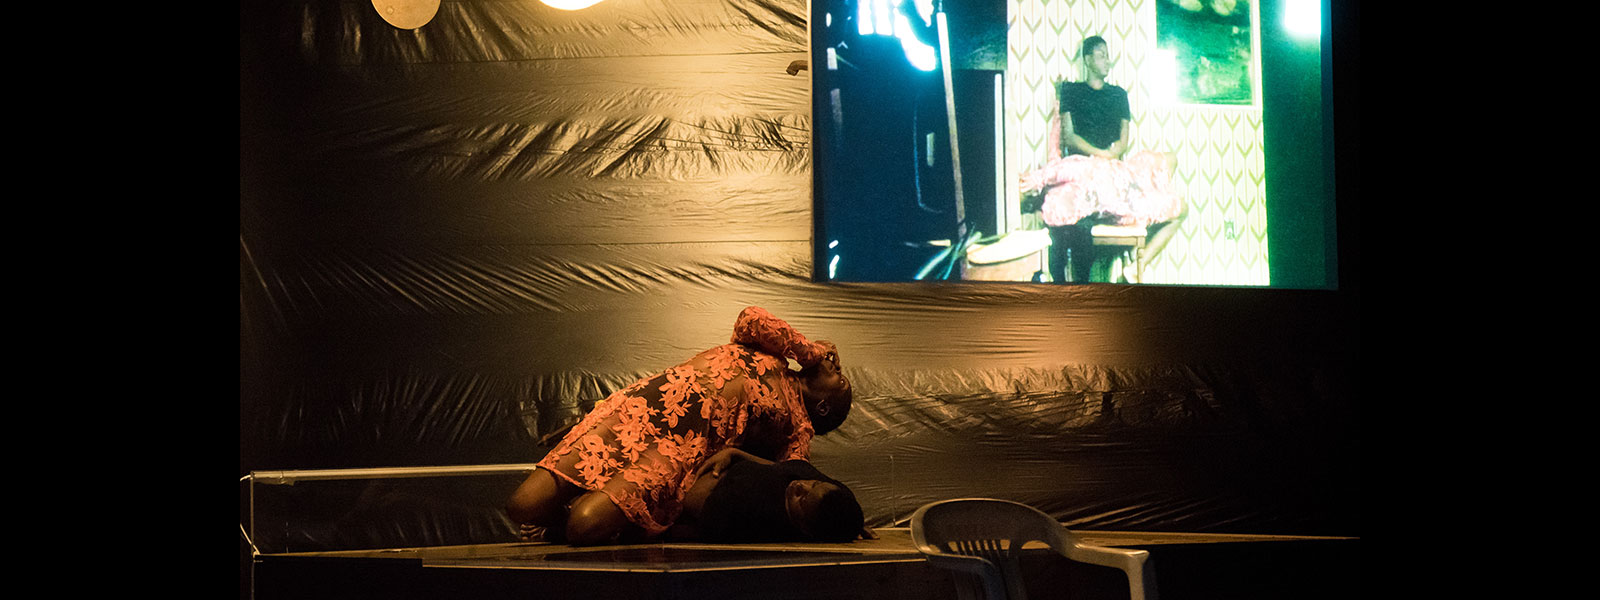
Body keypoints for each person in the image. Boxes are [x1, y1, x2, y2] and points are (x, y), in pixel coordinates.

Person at [506, 306, 852, 545]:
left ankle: (578, 522)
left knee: (583, 525)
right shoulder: (775, 354)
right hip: (637, 409)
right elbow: (752, 318)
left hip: (671, 453)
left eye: (841, 380)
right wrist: (810, 351)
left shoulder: (799, 427)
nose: (837, 367)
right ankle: (577, 513)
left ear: (824, 406)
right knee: (522, 506)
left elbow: (792, 474)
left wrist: (848, 522)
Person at [1021, 36, 1184, 284]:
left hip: (1113, 167)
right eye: (1101, 55)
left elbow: (1123, 141)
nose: (1108, 60)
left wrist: (1110, 155)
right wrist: (1100, 153)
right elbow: (1069, 137)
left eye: (1108, 55)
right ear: (1088, 60)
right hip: (1083, 166)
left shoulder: (1118, 94)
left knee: (1172, 174)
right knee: (1066, 189)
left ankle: (1133, 269)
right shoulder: (1072, 90)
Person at [667, 446, 874, 543]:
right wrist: (735, 453)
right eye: (814, 483)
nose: (801, 485)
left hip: (694, 473)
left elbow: (690, 502)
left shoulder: (747, 510)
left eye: (802, 499)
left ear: (804, 527)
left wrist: (716, 472)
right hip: (732, 454)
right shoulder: (836, 494)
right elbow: (782, 470)